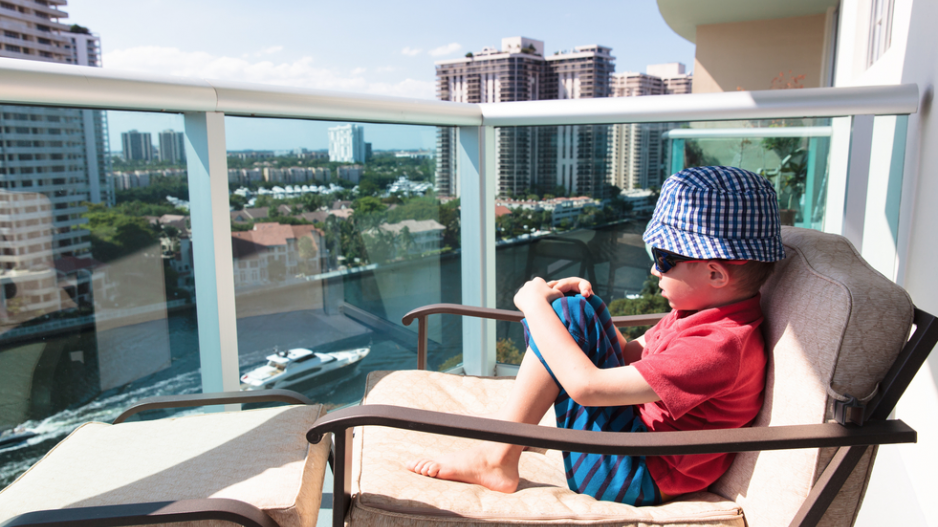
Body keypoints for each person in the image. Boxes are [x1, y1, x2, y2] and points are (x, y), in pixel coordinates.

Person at [407, 166, 787, 505]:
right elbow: (630, 358)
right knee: (574, 309)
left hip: (636, 476)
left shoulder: (720, 347)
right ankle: (504, 448)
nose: (654, 269)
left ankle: (496, 459)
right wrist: (583, 309)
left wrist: (533, 305)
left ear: (716, 275)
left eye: (664, 257)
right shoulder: (697, 315)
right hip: (636, 447)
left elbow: (588, 387)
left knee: (561, 314)